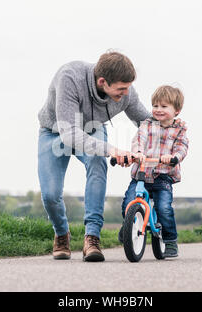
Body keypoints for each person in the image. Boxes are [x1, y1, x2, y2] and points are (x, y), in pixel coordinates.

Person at [37, 51, 152, 262]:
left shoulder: (127, 91)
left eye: (128, 88)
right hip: (54, 131)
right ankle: (62, 234)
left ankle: (92, 237)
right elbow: (69, 133)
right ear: (102, 81)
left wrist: (171, 128)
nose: (126, 93)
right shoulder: (70, 77)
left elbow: (145, 121)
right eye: (121, 89)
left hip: (92, 130)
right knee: (50, 195)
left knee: (98, 162)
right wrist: (112, 149)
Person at [118, 85, 189, 257]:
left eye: (164, 106)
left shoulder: (179, 130)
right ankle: (129, 226)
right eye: (156, 106)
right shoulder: (147, 125)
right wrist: (138, 153)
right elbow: (139, 139)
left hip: (163, 176)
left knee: (164, 208)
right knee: (128, 203)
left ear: (176, 110)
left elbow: (182, 147)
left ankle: (170, 241)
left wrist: (173, 157)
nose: (158, 110)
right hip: (141, 174)